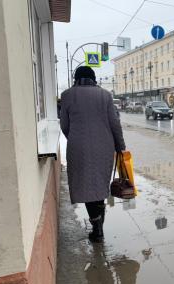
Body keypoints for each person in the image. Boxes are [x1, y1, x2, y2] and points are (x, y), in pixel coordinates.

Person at [60, 66, 126, 243]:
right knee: (99, 184)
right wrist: (120, 146)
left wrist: (74, 137)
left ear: (76, 78)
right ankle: (99, 223)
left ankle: (97, 226)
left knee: (86, 186)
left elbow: (64, 125)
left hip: (78, 148)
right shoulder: (105, 95)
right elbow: (114, 123)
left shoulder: (67, 95)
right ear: (94, 78)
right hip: (104, 146)